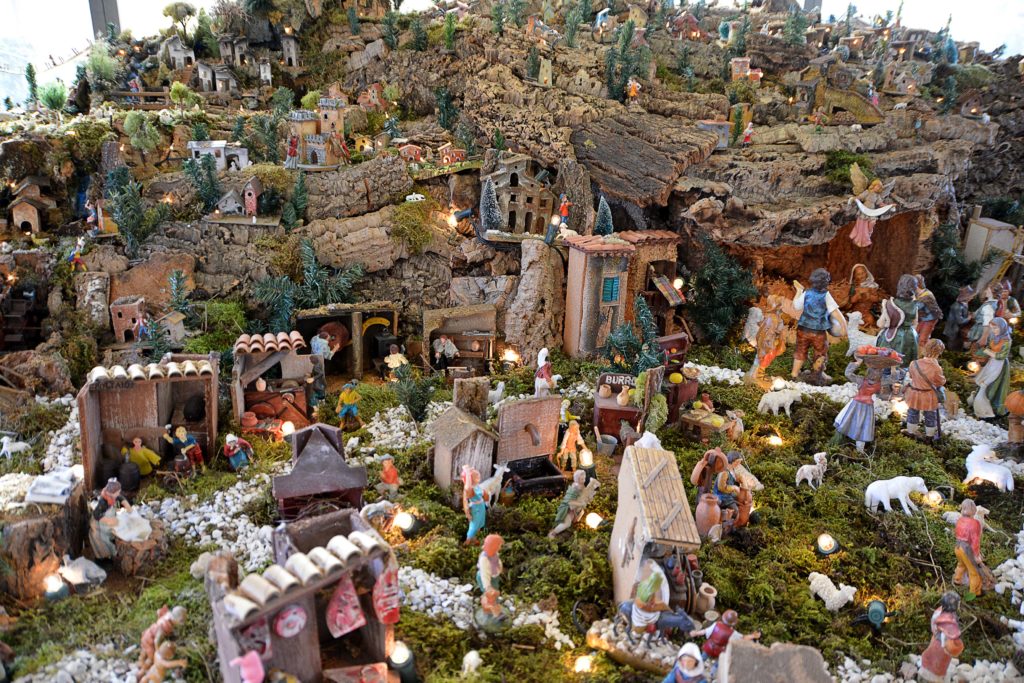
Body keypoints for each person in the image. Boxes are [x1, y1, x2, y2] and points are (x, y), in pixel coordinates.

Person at [791, 268, 845, 382]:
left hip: (803, 329)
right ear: (826, 282)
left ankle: (794, 374)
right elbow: (835, 312)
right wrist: (843, 325)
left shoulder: (807, 293)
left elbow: (796, 306)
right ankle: (817, 373)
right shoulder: (826, 295)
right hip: (818, 332)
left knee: (800, 349)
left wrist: (799, 291)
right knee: (820, 352)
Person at [834, 353, 895, 453]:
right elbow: (848, 374)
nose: (875, 375)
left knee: (861, 425)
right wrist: (857, 363)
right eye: (874, 371)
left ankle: (859, 449)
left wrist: (893, 368)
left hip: (862, 406)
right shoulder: (865, 381)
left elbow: (848, 373)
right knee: (852, 423)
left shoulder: (867, 381)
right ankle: (843, 442)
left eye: (878, 372)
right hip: (859, 405)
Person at [903, 339, 947, 441]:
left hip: (914, 393)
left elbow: (911, 376)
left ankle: (911, 432)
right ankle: (929, 437)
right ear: (939, 352)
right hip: (928, 395)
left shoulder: (914, 363)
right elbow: (940, 382)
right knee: (930, 415)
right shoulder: (936, 367)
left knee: (913, 412)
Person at [875, 275, 920, 367]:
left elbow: (880, 324)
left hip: (891, 336)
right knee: (905, 363)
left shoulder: (889, 304)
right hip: (909, 336)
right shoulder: (914, 305)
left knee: (886, 361)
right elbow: (915, 323)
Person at [971, 317, 1012, 419]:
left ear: (1002, 327)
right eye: (992, 328)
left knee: (994, 383)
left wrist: (989, 352)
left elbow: (1002, 356)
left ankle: (994, 406)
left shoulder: (1007, 341)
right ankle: (980, 401)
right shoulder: (993, 337)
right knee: (984, 381)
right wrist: (980, 353)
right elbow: (988, 348)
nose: (993, 331)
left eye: (995, 328)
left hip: (1000, 365)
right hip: (992, 363)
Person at [918, 593, 964, 683]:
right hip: (941, 642)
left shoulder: (945, 612)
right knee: (937, 659)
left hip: (939, 640)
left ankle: (934, 675)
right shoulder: (944, 616)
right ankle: (930, 677)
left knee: (940, 660)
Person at [953, 499, 993, 597]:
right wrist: (976, 555)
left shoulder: (959, 520)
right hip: (967, 549)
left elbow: (956, 533)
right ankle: (975, 591)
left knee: (961, 564)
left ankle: (957, 580)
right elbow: (975, 541)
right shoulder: (975, 523)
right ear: (973, 509)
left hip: (958, 546)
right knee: (974, 571)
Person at [745, 294, 787, 387]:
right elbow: (766, 331)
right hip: (767, 341)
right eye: (780, 304)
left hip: (771, 340)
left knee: (766, 357)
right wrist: (771, 340)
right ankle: (756, 375)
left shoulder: (776, 317)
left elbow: (777, 328)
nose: (782, 307)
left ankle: (757, 374)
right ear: (775, 305)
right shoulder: (771, 317)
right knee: (764, 357)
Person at [689, 609, 759, 661]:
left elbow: (705, 631)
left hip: (709, 646)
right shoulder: (733, 633)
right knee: (718, 663)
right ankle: (713, 673)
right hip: (719, 651)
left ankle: (697, 666)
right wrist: (753, 636)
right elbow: (743, 638)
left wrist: (696, 633)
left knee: (702, 658)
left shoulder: (716, 624)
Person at [89, 478, 131, 560]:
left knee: (110, 538)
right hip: (99, 526)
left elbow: (120, 499)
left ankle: (111, 554)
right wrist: (110, 521)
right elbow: (97, 515)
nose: (119, 493)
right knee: (102, 543)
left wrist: (127, 506)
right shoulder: (103, 502)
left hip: (108, 524)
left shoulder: (114, 497)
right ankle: (103, 559)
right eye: (117, 492)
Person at [548, 469, 598, 538]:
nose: (583, 480)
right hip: (568, 509)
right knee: (566, 524)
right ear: (577, 479)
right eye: (582, 479)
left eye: (584, 478)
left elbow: (584, 494)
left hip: (575, 508)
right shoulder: (575, 488)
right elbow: (569, 502)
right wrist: (581, 504)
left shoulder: (581, 485)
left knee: (581, 512)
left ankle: (574, 523)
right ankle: (553, 532)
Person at [849, 179, 895, 248]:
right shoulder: (867, 192)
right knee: (863, 225)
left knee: (872, 222)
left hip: (872, 211)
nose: (878, 188)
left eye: (879, 187)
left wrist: (890, 206)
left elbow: (881, 204)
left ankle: (868, 235)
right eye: (877, 186)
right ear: (873, 185)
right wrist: (853, 198)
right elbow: (859, 197)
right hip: (864, 210)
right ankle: (862, 240)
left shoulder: (877, 196)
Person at [846, 263, 884, 328]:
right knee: (854, 320)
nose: (861, 276)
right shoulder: (854, 287)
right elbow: (852, 301)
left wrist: (869, 296)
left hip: (868, 311)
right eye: (858, 274)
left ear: (866, 273)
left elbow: (876, 299)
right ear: (854, 276)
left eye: (863, 273)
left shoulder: (872, 286)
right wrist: (858, 294)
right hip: (856, 311)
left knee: (870, 320)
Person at [942, 285, 975, 352]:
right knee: (953, 347)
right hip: (953, 331)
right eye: (971, 296)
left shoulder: (964, 304)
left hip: (959, 330)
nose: (972, 298)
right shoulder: (957, 306)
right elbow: (960, 321)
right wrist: (968, 318)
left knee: (958, 345)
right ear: (966, 296)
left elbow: (963, 313)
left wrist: (967, 314)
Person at [462, 467, 489, 545]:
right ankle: (467, 542)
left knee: (480, 523)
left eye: (478, 474)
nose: (478, 475)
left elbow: (484, 495)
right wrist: (467, 472)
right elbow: (467, 487)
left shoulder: (477, 486)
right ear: (470, 478)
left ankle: (474, 538)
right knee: (474, 525)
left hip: (481, 507)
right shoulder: (469, 489)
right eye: (475, 475)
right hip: (476, 508)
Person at [914, 275, 943, 348]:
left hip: (930, 318)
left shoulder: (927, 295)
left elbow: (917, 307)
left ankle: (925, 351)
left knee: (923, 338)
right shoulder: (919, 293)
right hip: (924, 317)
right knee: (916, 332)